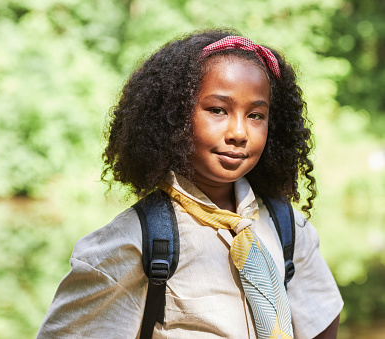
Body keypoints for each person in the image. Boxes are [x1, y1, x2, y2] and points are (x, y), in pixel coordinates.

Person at [35, 29, 343, 339]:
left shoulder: (286, 226)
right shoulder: (134, 242)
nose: (239, 132)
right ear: (175, 117)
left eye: (255, 115)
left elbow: (321, 317)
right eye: (217, 110)